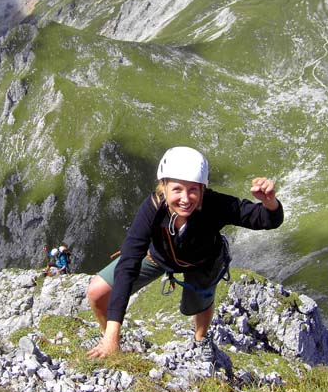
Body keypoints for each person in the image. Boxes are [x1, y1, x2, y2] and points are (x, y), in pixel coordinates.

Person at [87, 146, 283, 360]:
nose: (186, 198)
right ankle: (110, 339)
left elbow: (263, 219)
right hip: (159, 256)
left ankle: (201, 339)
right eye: (177, 189)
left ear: (202, 189)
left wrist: (270, 203)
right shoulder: (152, 208)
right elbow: (129, 263)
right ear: (164, 187)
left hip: (204, 262)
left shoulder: (215, 204)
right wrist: (113, 335)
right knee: (97, 292)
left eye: (193, 190)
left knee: (197, 306)